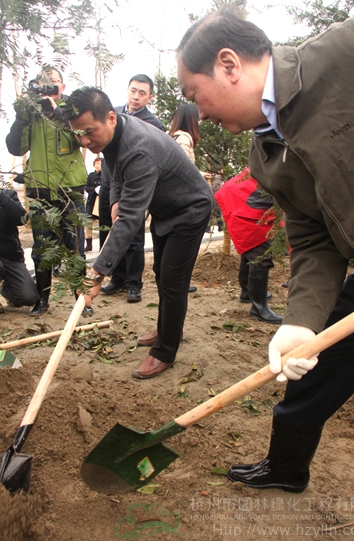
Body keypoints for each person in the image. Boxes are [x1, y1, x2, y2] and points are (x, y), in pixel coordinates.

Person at [177, 3, 354, 492]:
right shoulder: (266, 154)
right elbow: (315, 237)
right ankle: (286, 467)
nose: (201, 112)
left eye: (196, 93)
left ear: (229, 65)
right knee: (312, 372)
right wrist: (300, 321)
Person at [64, 87, 213, 379]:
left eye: (89, 132)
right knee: (161, 271)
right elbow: (116, 170)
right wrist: (118, 197)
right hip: (166, 207)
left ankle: (164, 351)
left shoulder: (139, 147)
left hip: (190, 209)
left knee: (172, 278)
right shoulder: (111, 135)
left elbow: (131, 219)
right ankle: (166, 327)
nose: (84, 140)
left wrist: (97, 274)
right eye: (77, 134)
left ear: (110, 117)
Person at [6, 65, 89, 316]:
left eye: (54, 83)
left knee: (76, 247)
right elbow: (14, 148)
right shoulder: (31, 114)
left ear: (62, 87)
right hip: (40, 189)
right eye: (44, 83)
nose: (49, 87)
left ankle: (80, 300)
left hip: (70, 189)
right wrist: (22, 117)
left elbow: (83, 138)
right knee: (42, 249)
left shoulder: (72, 110)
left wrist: (59, 114)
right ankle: (42, 300)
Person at [100, 74, 165, 303]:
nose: (136, 96)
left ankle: (133, 283)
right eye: (133, 91)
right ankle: (116, 277)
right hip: (109, 180)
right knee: (109, 228)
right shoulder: (112, 116)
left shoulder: (153, 124)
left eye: (142, 93)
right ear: (127, 90)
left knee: (133, 233)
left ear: (149, 97)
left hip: (134, 184)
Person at [215, 168, 283, 324]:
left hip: (243, 194)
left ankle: (247, 292)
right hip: (244, 198)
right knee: (259, 247)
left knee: (250, 247)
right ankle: (259, 308)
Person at [168, 102, 210, 293]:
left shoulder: (172, 136)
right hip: (184, 204)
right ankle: (181, 283)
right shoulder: (184, 138)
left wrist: (200, 174)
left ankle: (178, 282)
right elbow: (181, 169)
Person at [0, 189, 40, 313]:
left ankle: (8, 288)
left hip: (10, 255)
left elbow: (21, 219)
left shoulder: (8, 195)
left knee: (29, 297)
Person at [84, 157, 102, 253]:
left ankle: (102, 245)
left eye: (99, 163)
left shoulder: (106, 176)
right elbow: (86, 187)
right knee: (88, 223)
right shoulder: (91, 175)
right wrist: (94, 189)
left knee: (102, 224)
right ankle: (89, 244)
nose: (97, 165)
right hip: (92, 201)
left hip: (101, 202)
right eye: (95, 163)